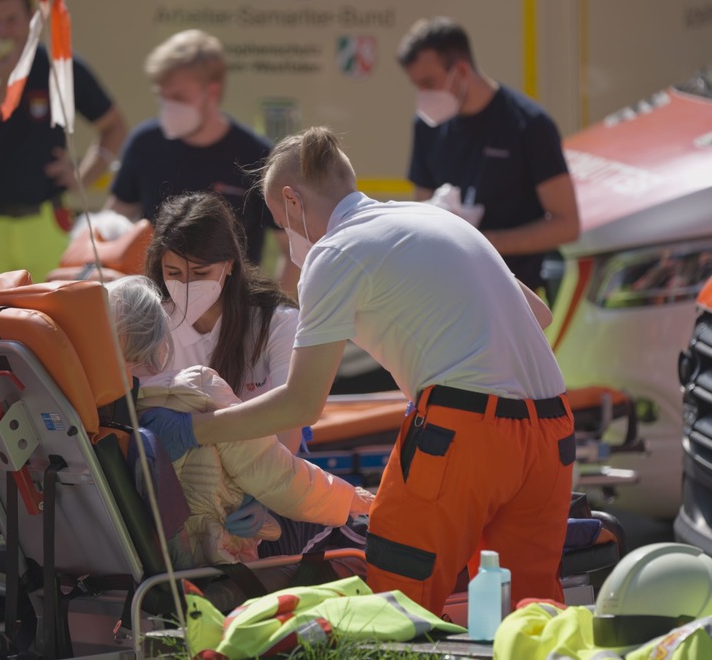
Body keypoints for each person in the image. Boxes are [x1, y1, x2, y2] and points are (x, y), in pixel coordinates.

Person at [144, 127, 574, 616]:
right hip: (553, 428)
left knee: (397, 601)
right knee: (530, 612)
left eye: (282, 226)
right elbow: (538, 315)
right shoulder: (435, 219)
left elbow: (302, 403)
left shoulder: (335, 252)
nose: (287, 240)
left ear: (292, 199)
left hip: (466, 428)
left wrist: (195, 429)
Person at [107, 275, 372, 569]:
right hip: (224, 558)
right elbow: (279, 477)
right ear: (160, 337)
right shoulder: (196, 390)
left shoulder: (97, 415)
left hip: (154, 565)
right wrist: (355, 499)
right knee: (353, 531)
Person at [0, 0, 127, 297]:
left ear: (31, 20)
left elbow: (114, 126)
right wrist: (3, 83)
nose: (3, 31)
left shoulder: (58, 65)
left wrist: (84, 176)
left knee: (53, 327)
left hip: (45, 221)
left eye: (12, 20)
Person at [105, 30, 297, 291]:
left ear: (212, 92)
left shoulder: (258, 156)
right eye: (163, 96)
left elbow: (293, 251)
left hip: (234, 314)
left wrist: (269, 319)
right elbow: (109, 230)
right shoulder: (144, 143)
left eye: (179, 98)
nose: (169, 106)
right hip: (156, 310)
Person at [398, 16, 580, 291]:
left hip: (518, 291)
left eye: (428, 83)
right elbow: (423, 208)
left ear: (460, 71)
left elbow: (567, 225)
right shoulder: (427, 126)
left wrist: (481, 241)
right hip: (450, 290)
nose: (423, 95)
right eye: (416, 86)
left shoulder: (529, 124)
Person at [144, 191, 302, 452]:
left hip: (264, 470)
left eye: (200, 273)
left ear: (230, 265)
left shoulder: (277, 322)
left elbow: (289, 429)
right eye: (173, 273)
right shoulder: (150, 323)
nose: (185, 285)